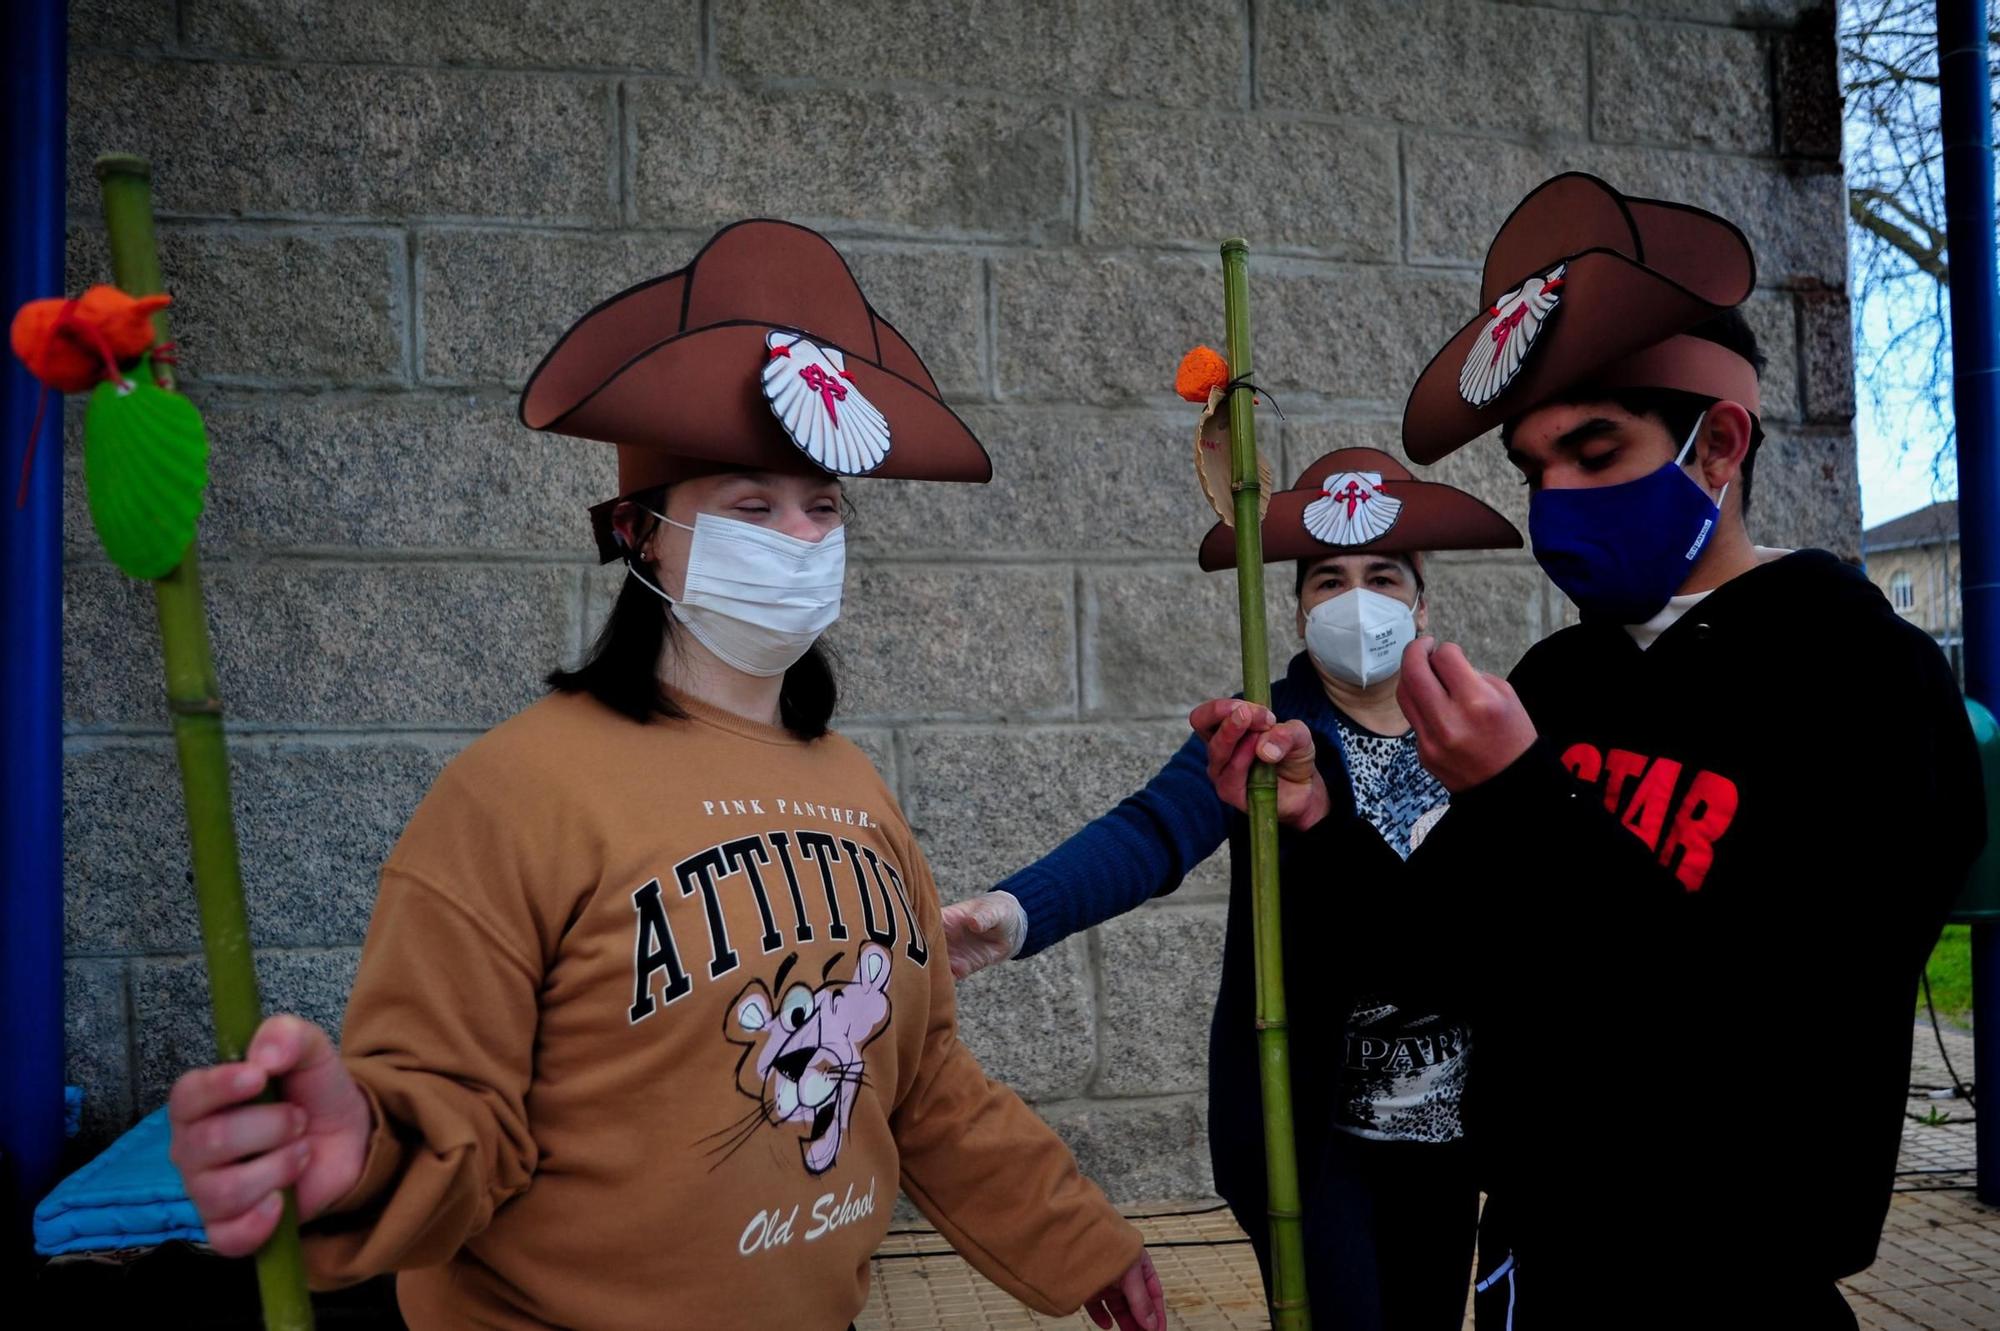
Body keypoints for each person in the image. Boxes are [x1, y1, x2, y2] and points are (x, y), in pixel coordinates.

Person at [163, 220, 1164, 1331]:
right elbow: (449, 1110)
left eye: (821, 506)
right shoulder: (514, 792)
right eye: (750, 504)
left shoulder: (853, 785)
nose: (798, 535)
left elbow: (920, 1077)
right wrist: (356, 1153)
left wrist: (1079, 1237)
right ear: (641, 533)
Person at [1203, 173, 1984, 1328]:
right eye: (1530, 468)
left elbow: (1788, 1011)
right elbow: (1436, 950)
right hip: (1532, 1267)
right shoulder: (1560, 684)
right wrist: (1318, 825)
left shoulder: (1866, 681)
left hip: (1726, 1281)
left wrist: (1522, 795)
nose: (1554, 500)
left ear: (1717, 444)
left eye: (1594, 450)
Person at [946, 447, 1521, 1329]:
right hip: (1317, 1137)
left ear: (1422, 601)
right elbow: (1151, 829)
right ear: (1296, 609)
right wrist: (1017, 912)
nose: (1356, 600)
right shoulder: (1269, 740)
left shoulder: (1479, 727)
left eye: (1382, 577)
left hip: (1448, 1132)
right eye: (1327, 580)